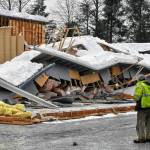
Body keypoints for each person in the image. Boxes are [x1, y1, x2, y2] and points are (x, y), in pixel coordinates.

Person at [134, 74, 150, 143]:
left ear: (139, 79)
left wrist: (135, 98)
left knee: (140, 123)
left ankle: (141, 138)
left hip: (142, 107)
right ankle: (149, 137)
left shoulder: (139, 85)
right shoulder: (148, 85)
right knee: (149, 123)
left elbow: (137, 97)